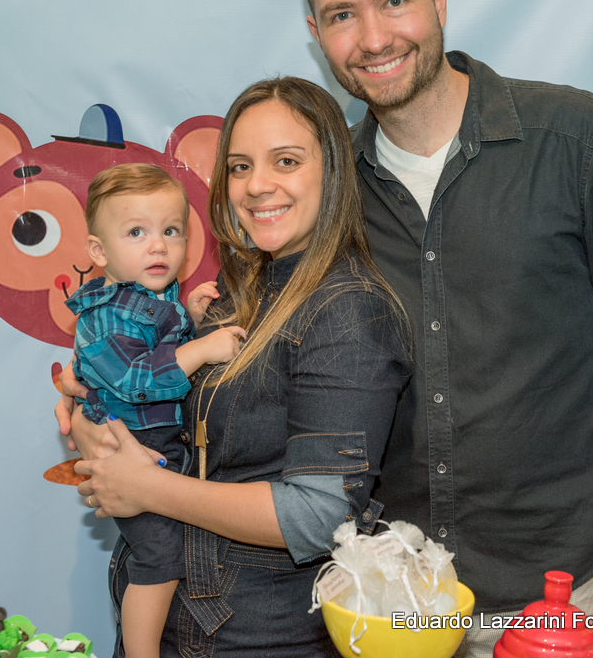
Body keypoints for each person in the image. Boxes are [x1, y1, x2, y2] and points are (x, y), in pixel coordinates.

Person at [301, 0, 593, 657]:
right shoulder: (330, 187)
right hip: (393, 604)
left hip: (567, 593)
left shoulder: (577, 140)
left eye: (395, 1)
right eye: (343, 14)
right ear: (318, 37)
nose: (374, 37)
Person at [56, 77, 411, 657]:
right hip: (176, 619)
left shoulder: (351, 313)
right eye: (240, 166)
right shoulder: (238, 287)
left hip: (262, 638)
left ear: (334, 173)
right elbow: (152, 394)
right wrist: (91, 420)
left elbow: (318, 515)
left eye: (286, 161)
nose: (257, 186)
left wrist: (148, 486)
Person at [67, 163, 247, 658]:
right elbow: (138, 379)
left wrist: (187, 319)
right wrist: (203, 347)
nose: (158, 246)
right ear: (99, 251)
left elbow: (160, 347)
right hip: (134, 449)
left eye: (171, 231)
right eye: (137, 232)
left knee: (177, 547)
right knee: (159, 557)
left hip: (165, 446)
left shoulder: (154, 298)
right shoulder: (103, 315)